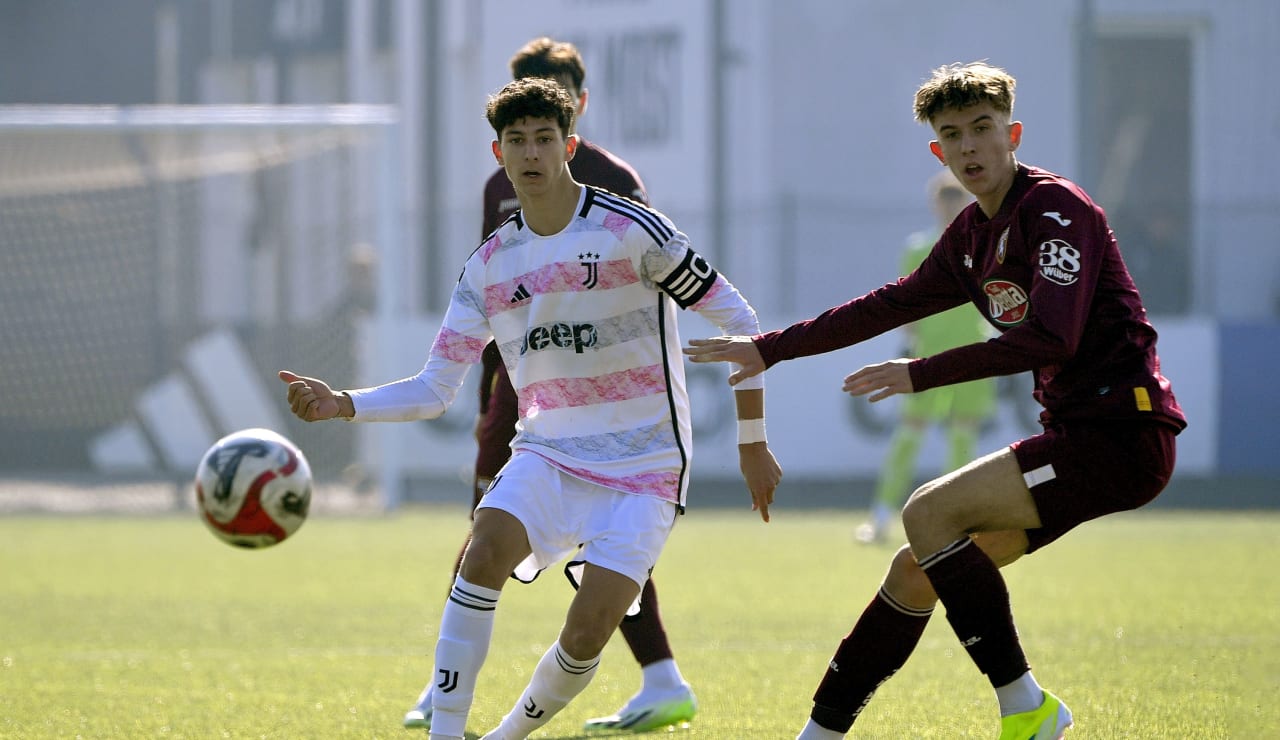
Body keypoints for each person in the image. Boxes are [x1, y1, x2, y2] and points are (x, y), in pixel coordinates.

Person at [683, 61, 1185, 739]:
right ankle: (820, 733)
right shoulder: (971, 237)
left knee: (927, 511)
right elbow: (887, 304)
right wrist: (770, 349)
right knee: (916, 569)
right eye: (954, 135)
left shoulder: (1054, 209)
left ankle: (1025, 708)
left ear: (1013, 133)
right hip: (1080, 433)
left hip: (1120, 431)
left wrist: (919, 373)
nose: (970, 147)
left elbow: (1051, 338)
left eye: (983, 129)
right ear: (938, 151)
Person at [280, 77, 781, 740]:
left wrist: (752, 440)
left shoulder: (631, 231)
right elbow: (435, 388)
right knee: (481, 552)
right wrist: (344, 403)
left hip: (647, 463)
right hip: (548, 450)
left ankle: (505, 735)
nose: (531, 152)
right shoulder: (490, 265)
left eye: (544, 137)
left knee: (590, 627)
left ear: (569, 144)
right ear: (499, 155)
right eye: (517, 140)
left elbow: (739, 317)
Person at [403, 37, 700, 735]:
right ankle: (454, 688)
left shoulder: (614, 181)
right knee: (490, 528)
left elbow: (646, 281)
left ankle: (656, 676)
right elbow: (493, 294)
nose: (530, 143)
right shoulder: (496, 186)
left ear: (578, 106)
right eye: (520, 109)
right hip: (519, 383)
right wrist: (486, 395)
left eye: (551, 95)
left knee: (608, 534)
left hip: (595, 389)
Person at [855, 169, 996, 544]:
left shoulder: (983, 244)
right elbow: (906, 305)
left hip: (971, 354)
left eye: (956, 198)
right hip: (927, 356)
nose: (950, 205)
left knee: (962, 439)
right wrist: (911, 341)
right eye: (944, 199)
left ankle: (954, 523)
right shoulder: (919, 247)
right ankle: (880, 518)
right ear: (935, 203)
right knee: (908, 437)